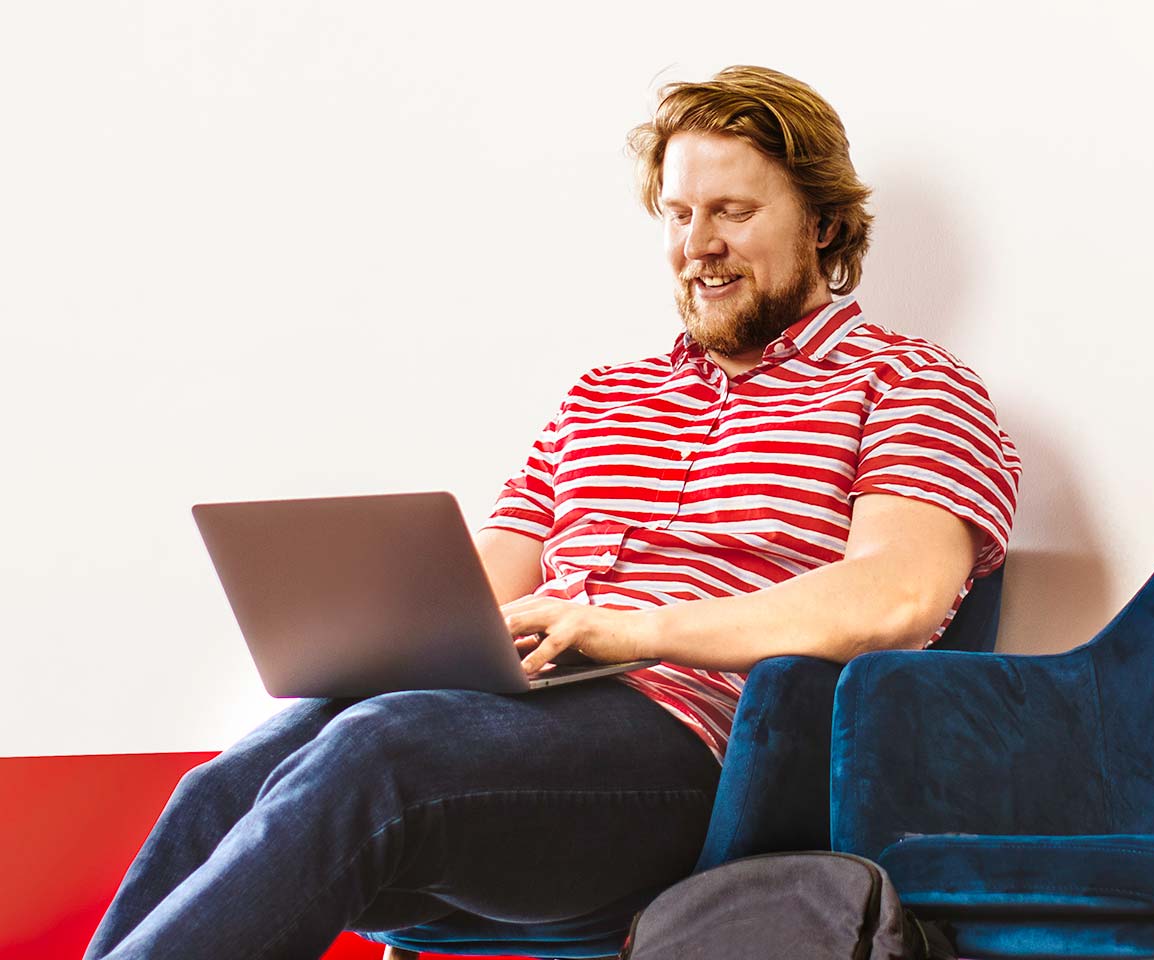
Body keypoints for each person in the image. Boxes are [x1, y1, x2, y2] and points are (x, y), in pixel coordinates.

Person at [85, 65, 1020, 960]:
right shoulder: (603, 397)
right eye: (681, 213)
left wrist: (633, 631)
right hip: (509, 721)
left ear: (821, 224)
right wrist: (370, 636)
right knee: (230, 781)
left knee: (378, 749)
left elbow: (896, 596)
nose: (699, 243)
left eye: (734, 212)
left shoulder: (909, 385)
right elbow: (486, 583)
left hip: (696, 753)